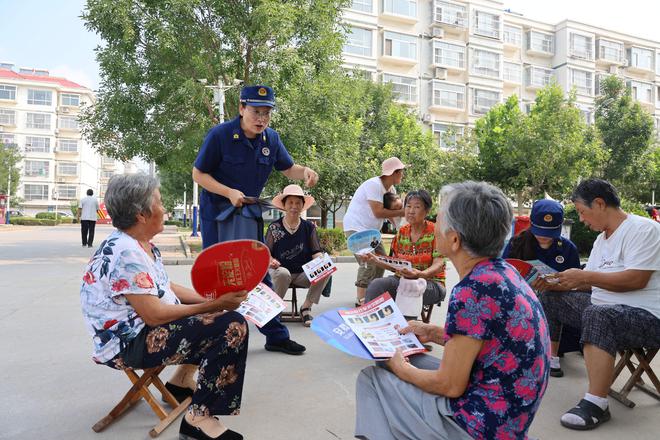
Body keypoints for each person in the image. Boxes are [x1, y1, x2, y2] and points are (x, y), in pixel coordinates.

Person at [355, 181, 550, 440]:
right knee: (407, 359)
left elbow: (450, 385)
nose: (436, 227)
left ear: (455, 239)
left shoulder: (472, 290)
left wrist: (399, 368)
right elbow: (486, 341)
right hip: (511, 414)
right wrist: (432, 332)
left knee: (372, 378)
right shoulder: (503, 273)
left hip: (480, 426)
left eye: (441, 221)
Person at [80, 174, 248, 440]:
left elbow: (164, 288)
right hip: (128, 345)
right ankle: (198, 420)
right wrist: (214, 305)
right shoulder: (126, 253)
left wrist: (212, 302)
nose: (164, 207)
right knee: (232, 326)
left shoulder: (140, 244)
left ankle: (180, 384)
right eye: (158, 202)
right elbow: (155, 314)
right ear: (141, 214)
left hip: (142, 330)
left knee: (218, 315)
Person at [193, 85, 318, 356]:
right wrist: (228, 192)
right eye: (256, 112)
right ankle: (212, 334)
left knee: (258, 272)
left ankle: (275, 335)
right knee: (216, 274)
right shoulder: (220, 135)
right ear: (241, 108)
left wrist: (305, 171)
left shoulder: (271, 139)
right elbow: (198, 174)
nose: (261, 118)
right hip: (217, 213)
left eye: (266, 113)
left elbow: (287, 168)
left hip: (248, 213)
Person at [539, 179, 660, 431]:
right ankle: (549, 359)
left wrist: (584, 276)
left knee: (598, 314)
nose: (582, 220)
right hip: (603, 307)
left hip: (647, 318)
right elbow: (591, 284)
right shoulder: (601, 240)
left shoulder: (643, 229)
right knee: (551, 298)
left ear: (600, 203)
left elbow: (637, 279)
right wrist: (562, 283)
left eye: (582, 212)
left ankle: (596, 403)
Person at [502, 198, 582, 373]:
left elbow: (576, 285)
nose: (544, 236)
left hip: (556, 301)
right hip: (522, 298)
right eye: (540, 231)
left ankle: (551, 355)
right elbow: (503, 272)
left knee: (549, 298)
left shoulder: (568, 249)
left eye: (550, 232)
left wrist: (553, 285)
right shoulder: (517, 243)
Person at [364, 190, 446, 319]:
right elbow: (395, 265)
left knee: (409, 287)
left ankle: (407, 331)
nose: (411, 210)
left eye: (417, 207)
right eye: (408, 206)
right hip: (402, 280)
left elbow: (440, 263)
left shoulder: (436, 231)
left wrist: (420, 274)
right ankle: (371, 324)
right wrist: (376, 260)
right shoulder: (402, 232)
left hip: (431, 283)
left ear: (427, 211)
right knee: (377, 284)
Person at [343, 157, 406, 306]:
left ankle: (372, 296)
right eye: (401, 172)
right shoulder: (374, 185)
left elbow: (391, 214)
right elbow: (378, 212)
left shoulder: (391, 190)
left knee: (382, 262)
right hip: (357, 229)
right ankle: (361, 300)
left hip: (372, 233)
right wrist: (404, 212)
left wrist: (402, 229)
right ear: (393, 173)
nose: (402, 175)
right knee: (368, 262)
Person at [265, 184, 330, 327]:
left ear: (302, 206)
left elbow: (315, 251)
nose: (294, 206)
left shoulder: (308, 227)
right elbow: (266, 254)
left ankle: (306, 307)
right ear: (284, 205)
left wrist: (321, 260)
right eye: (290, 202)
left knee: (325, 268)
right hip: (280, 272)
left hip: (302, 274)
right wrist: (271, 261)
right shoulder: (274, 227)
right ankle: (274, 310)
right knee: (283, 273)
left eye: (298, 203)